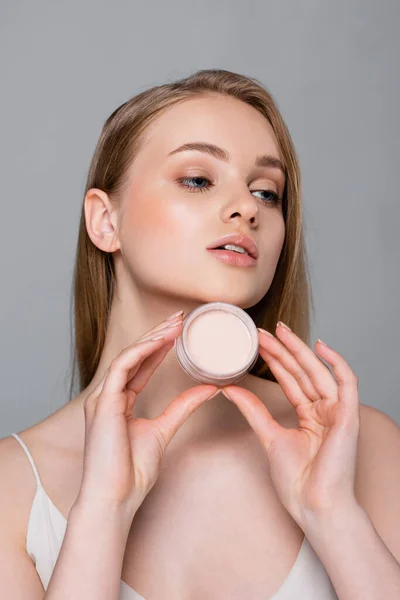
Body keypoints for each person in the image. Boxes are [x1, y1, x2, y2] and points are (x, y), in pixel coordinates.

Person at [1, 68, 397, 599]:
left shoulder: (364, 447)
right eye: (198, 179)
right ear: (105, 221)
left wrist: (332, 513)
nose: (247, 208)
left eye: (267, 192)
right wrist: (104, 510)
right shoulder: (12, 487)